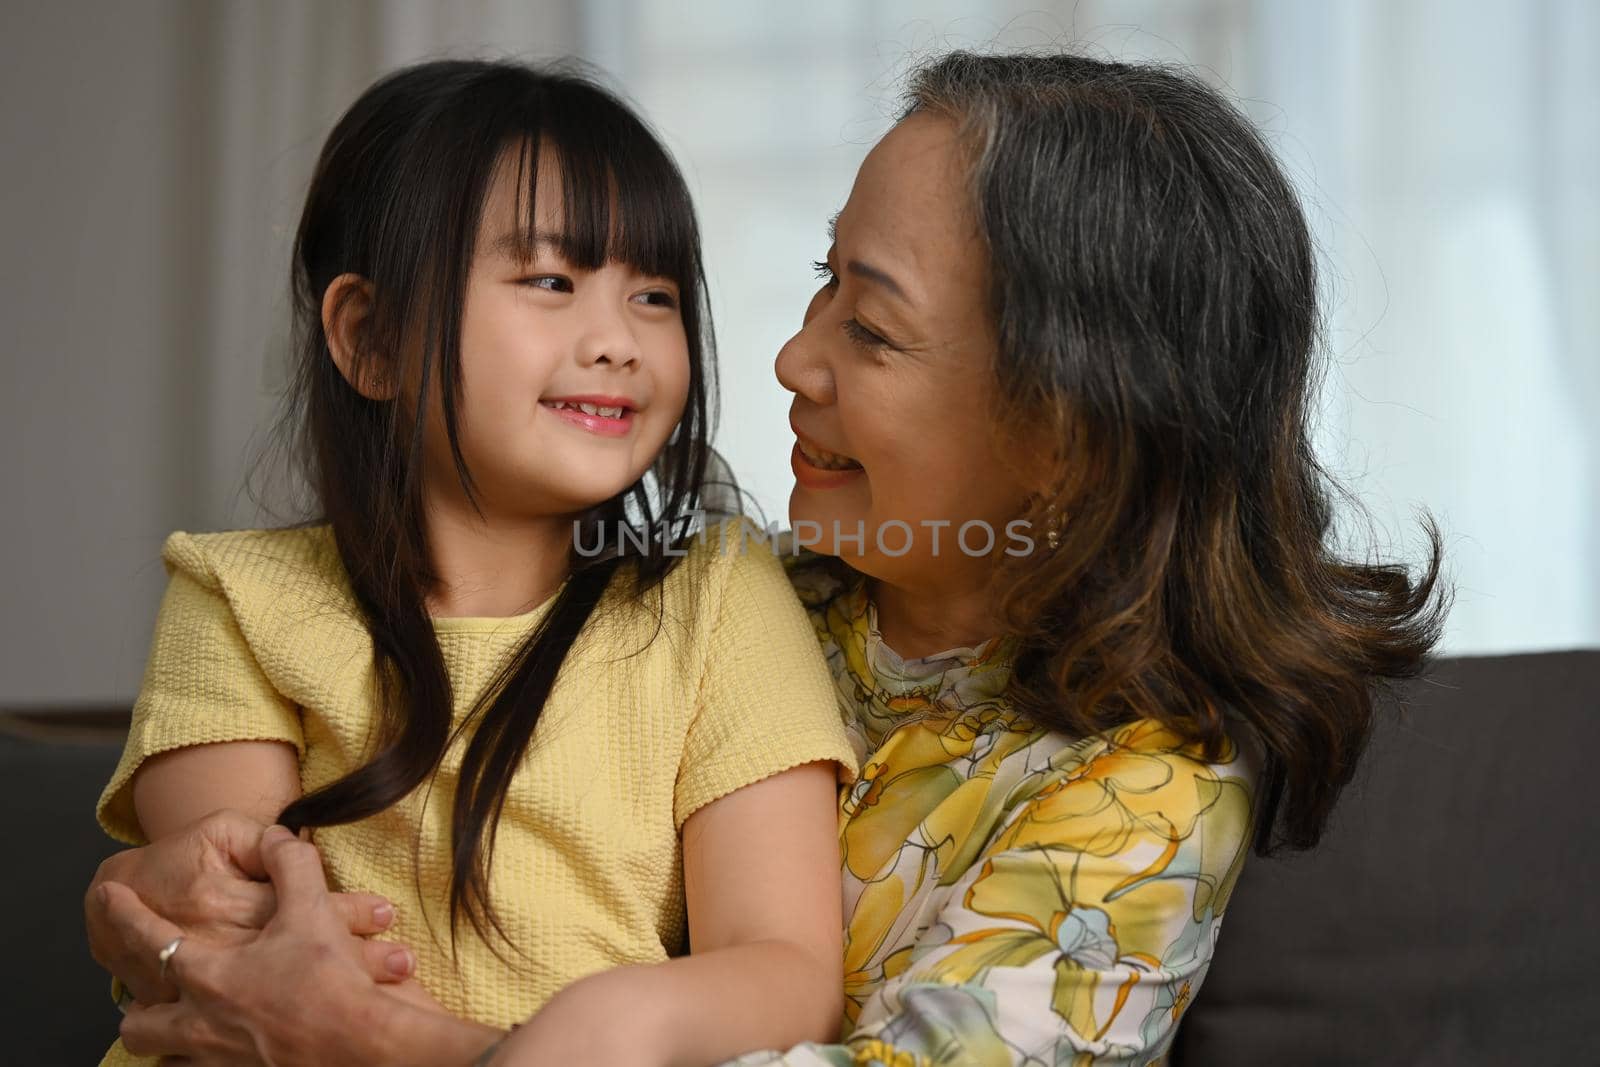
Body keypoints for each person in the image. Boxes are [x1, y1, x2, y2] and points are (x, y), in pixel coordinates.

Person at [88, 50, 1447, 1065]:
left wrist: (390, 1042)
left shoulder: (1138, 803)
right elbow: (225, 892)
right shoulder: (731, 586)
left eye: (872, 326)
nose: (790, 359)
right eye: (820, 285)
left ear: (1067, 432)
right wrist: (146, 901)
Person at [87, 58, 860, 1067]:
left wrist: (595, 1030)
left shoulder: (715, 599)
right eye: (551, 280)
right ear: (369, 338)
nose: (619, 340)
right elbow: (255, 967)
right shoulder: (239, 598)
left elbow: (789, 971)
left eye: (655, 294)